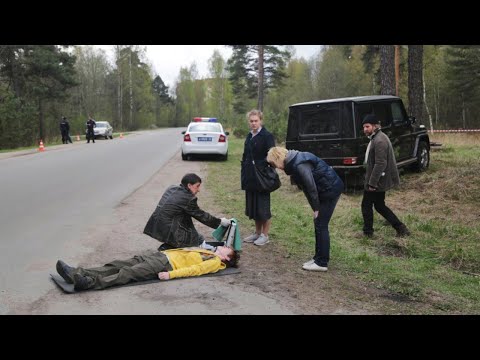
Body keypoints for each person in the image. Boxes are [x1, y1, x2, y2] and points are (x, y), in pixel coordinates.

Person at [267, 146, 344, 272]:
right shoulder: (293, 163)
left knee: (321, 224)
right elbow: (306, 189)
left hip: (331, 190)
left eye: (274, 164)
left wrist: (317, 207)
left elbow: (311, 187)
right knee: (318, 222)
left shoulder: (299, 164)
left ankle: (322, 262)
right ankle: (317, 258)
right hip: (324, 191)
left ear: (278, 158)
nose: (277, 168)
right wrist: (315, 208)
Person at [55, 245, 239, 291]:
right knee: (118, 264)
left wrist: (170, 274)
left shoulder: (215, 262)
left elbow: (194, 270)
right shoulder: (208, 251)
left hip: (165, 264)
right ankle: (77, 273)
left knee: (128, 273)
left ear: (226, 257)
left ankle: (89, 283)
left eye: (225, 249)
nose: (222, 247)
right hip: (160, 256)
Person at [144, 173, 232, 250]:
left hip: (156, 225)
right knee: (192, 241)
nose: (198, 189)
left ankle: (171, 246)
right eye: (197, 186)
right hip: (168, 229)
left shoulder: (172, 188)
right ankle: (167, 249)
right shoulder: (187, 198)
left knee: (195, 234)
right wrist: (220, 222)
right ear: (189, 185)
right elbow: (201, 215)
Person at [361, 114, 410, 238]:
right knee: (379, 206)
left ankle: (368, 233)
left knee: (366, 205)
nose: (365, 129)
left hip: (377, 181)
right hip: (378, 179)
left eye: (367, 126)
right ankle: (401, 228)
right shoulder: (376, 137)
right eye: (364, 127)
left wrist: (372, 183)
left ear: (375, 126)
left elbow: (380, 164)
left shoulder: (380, 140)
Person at [241, 109, 275, 246]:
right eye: (251, 121)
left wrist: (263, 168)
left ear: (261, 121)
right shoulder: (249, 136)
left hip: (262, 177)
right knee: (254, 206)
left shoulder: (267, 136)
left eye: (256, 121)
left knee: (263, 207)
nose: (254, 123)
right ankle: (257, 233)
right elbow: (246, 155)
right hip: (250, 177)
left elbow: (272, 156)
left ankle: (265, 235)